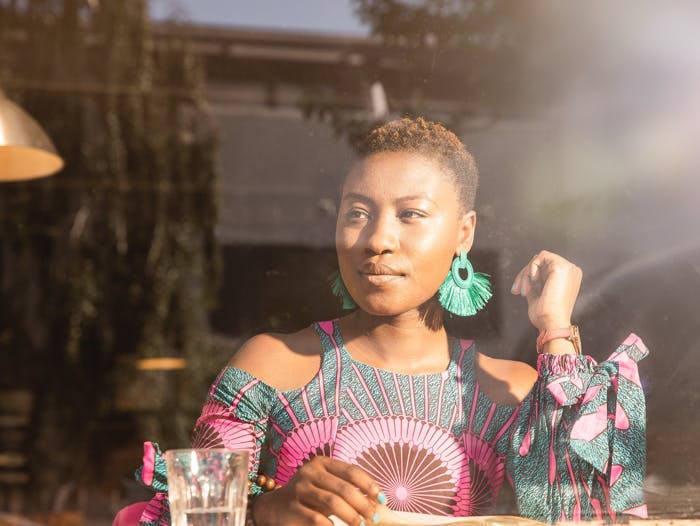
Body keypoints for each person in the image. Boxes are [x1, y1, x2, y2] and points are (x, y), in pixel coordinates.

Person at [127, 117, 648, 526]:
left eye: (410, 214)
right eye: (357, 213)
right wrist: (268, 511)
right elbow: (179, 519)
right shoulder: (272, 365)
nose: (377, 239)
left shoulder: (509, 392)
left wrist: (555, 328)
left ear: (464, 233)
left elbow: (581, 516)